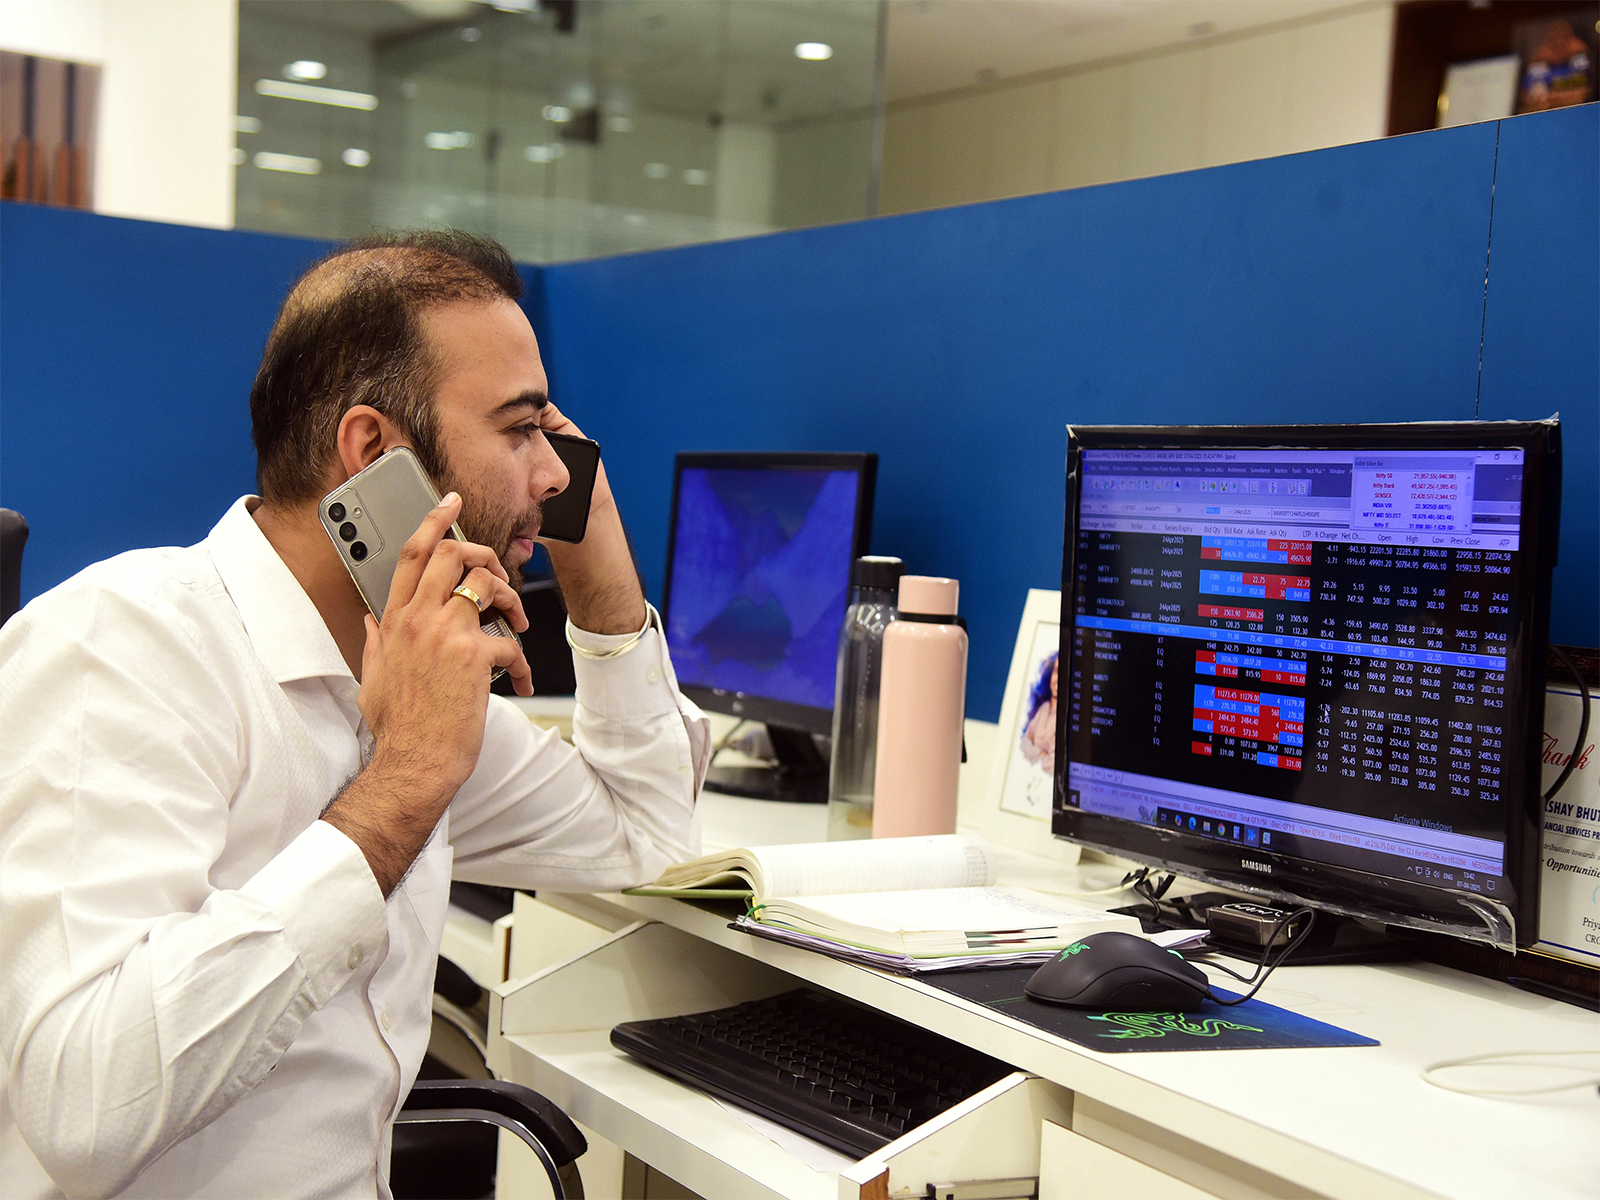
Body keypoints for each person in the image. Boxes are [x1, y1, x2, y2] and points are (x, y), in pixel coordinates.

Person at [0, 231, 708, 1198]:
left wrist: (597, 557)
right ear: (374, 452)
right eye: (518, 430)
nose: (555, 473)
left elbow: (647, 838)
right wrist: (404, 783)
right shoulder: (122, 646)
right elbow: (84, 1110)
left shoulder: (407, 667)